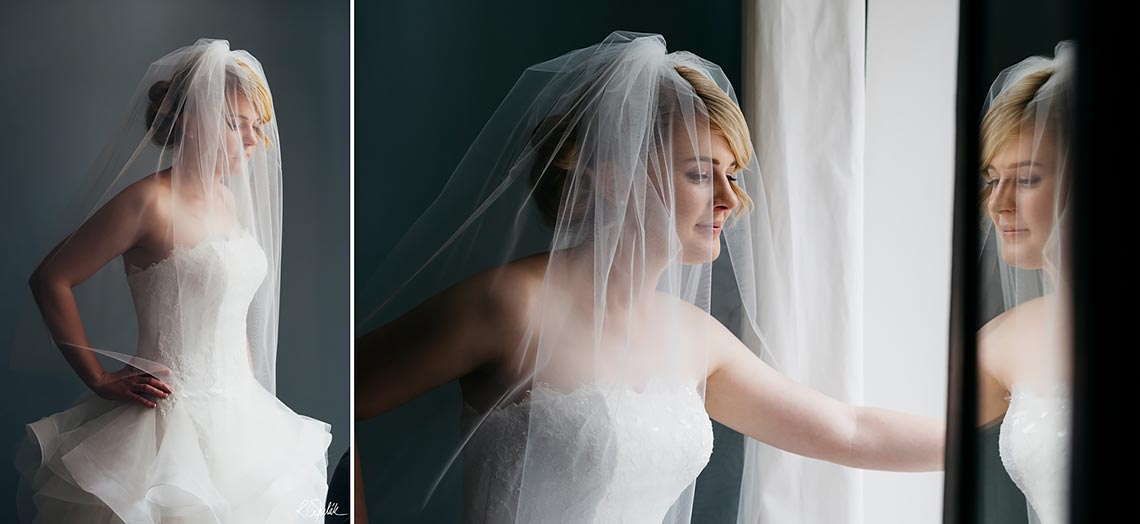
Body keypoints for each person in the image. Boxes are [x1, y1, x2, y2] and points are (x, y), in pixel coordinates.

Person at [355, 31, 943, 523]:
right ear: (612, 178)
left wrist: (990, 431)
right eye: (699, 174)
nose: (730, 200)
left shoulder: (697, 337)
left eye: (733, 174)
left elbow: (851, 431)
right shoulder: (510, 306)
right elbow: (341, 392)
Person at [16, 39, 331, 523]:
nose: (251, 141)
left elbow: (229, 309)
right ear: (185, 118)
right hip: (166, 427)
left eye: (256, 127)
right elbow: (50, 278)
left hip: (241, 419)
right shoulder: (148, 204)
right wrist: (97, 378)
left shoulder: (229, 203)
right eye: (235, 124)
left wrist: (254, 401)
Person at [975, 42, 1075, 524]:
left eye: (1027, 179)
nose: (997, 205)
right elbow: (863, 433)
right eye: (993, 179)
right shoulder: (1005, 340)